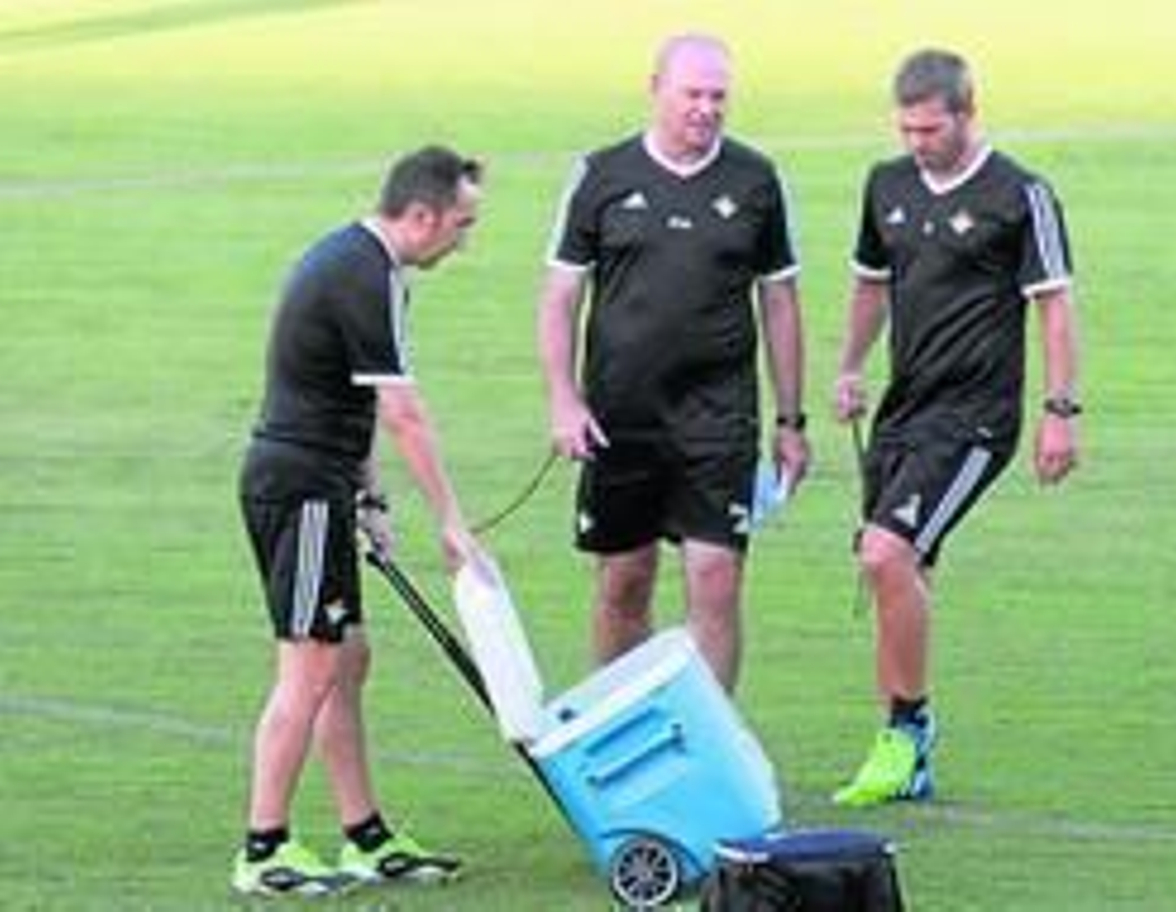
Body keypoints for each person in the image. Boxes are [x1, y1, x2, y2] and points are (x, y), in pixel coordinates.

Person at [830, 49, 1084, 807]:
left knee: (884, 556)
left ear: (968, 113)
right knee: (902, 576)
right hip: (904, 412)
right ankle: (908, 758)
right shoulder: (887, 186)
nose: (917, 142)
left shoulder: (1020, 193)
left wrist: (1059, 412)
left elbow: (1055, 305)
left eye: (931, 129)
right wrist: (848, 366)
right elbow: (871, 284)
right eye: (906, 129)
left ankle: (907, 730)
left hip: (975, 418)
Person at [233, 145, 485, 895]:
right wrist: (452, 523)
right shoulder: (364, 273)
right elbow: (404, 413)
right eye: (461, 225)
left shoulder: (366, 266)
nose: (464, 242)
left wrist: (368, 498)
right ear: (420, 216)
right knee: (310, 668)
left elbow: (351, 398)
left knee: (348, 659)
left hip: (324, 484)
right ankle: (263, 849)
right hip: (302, 488)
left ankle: (365, 836)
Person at [537, 33, 809, 694]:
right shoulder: (600, 176)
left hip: (718, 416)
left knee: (715, 577)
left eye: (719, 96)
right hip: (620, 414)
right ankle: (624, 724)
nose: (707, 108)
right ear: (655, 88)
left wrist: (791, 418)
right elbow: (560, 297)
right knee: (624, 580)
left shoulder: (756, 180)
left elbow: (780, 301)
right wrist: (563, 399)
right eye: (693, 94)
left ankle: (710, 747)